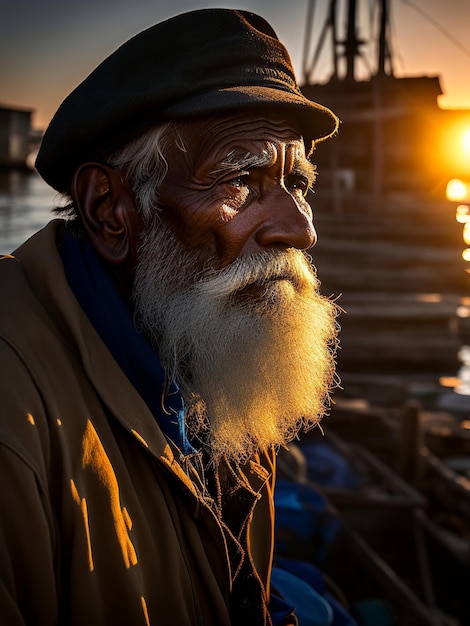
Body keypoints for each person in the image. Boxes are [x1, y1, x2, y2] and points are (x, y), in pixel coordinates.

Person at [0, 8, 340, 625]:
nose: (301, 228)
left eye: (298, 183)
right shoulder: (11, 404)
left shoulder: (205, 350)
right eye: (242, 179)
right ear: (110, 209)